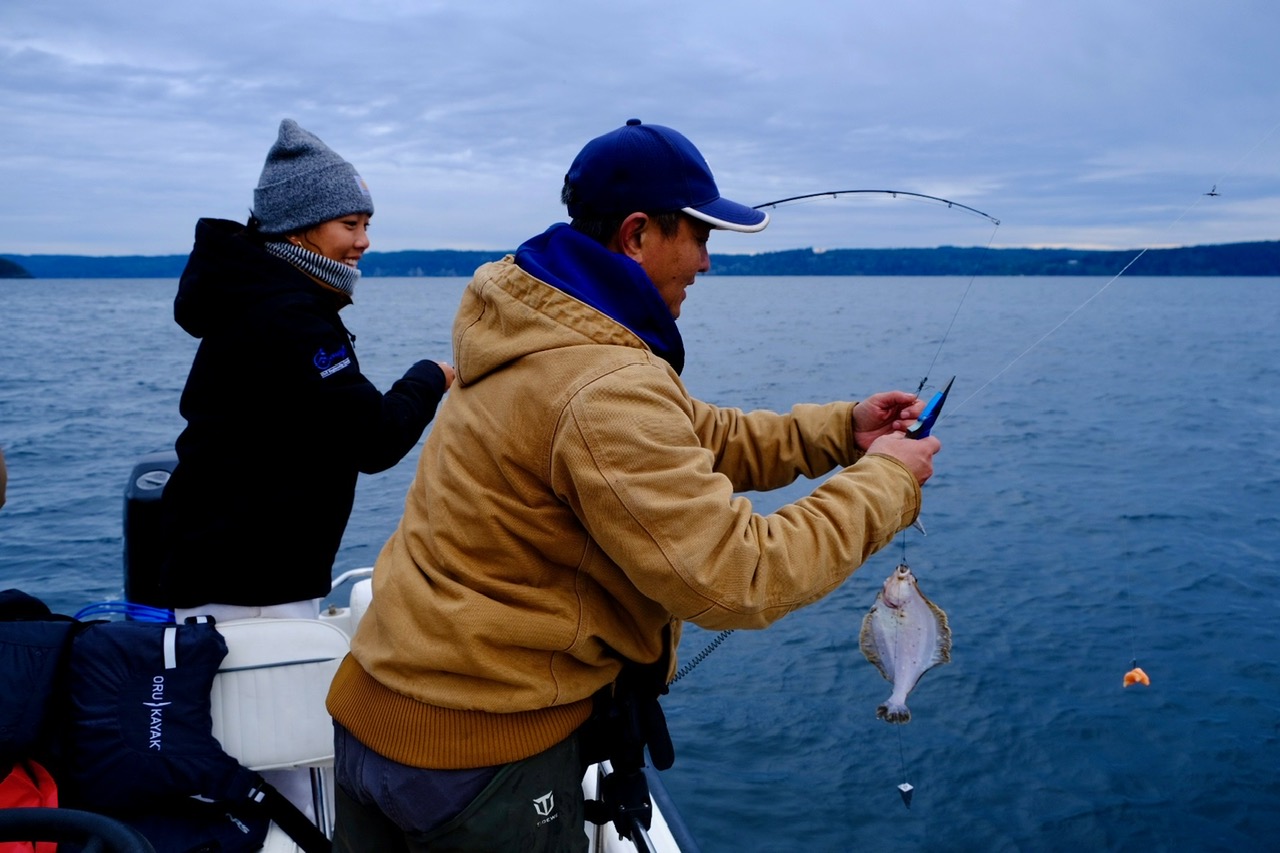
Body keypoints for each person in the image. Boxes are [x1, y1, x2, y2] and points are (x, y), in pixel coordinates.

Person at [326, 119, 940, 852]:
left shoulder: (538, 329)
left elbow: (696, 437)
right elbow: (739, 574)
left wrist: (845, 430)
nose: (707, 263)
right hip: (475, 757)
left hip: (376, 715)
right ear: (638, 233)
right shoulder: (602, 381)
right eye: (701, 238)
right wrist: (888, 483)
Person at [155, 118, 454, 621]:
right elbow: (374, 440)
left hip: (220, 562)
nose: (364, 241)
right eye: (350, 225)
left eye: (367, 225)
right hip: (251, 577)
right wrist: (431, 376)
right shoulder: (291, 316)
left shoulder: (258, 297)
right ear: (298, 229)